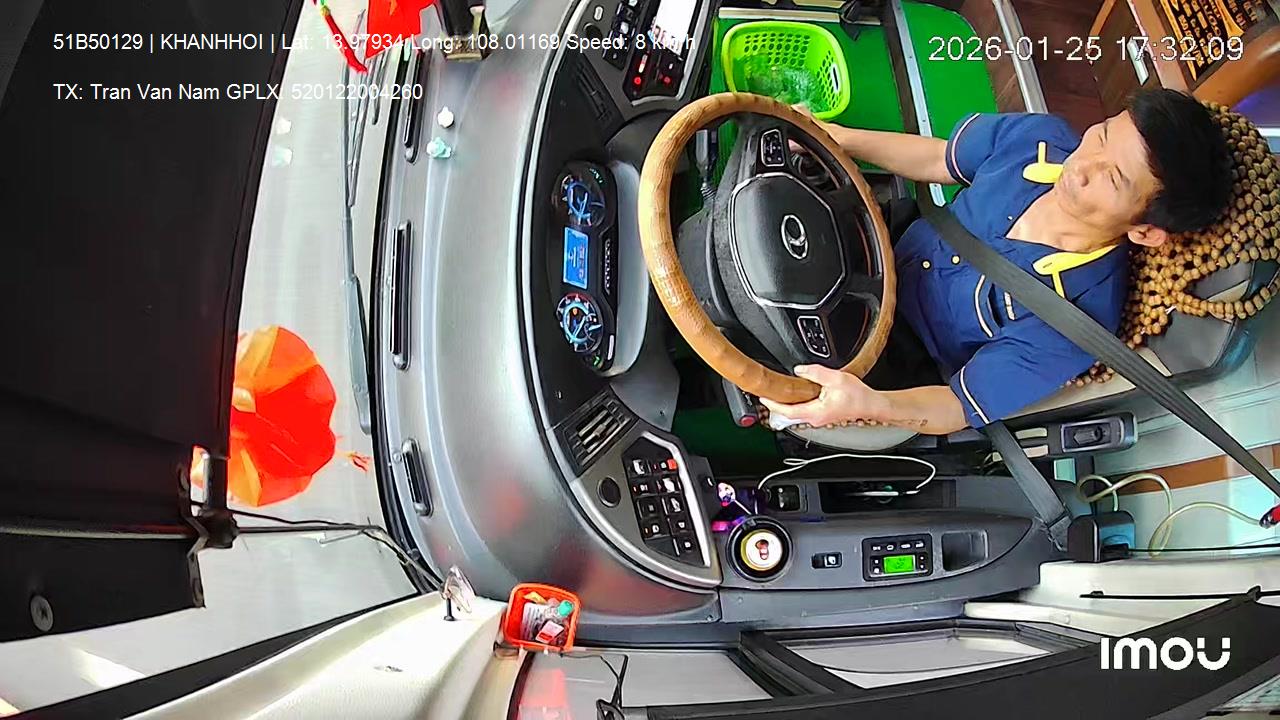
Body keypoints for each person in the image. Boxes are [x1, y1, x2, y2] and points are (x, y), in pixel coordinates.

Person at [760, 89, 1232, 435]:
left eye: (1112, 178)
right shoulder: (1040, 137)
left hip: (888, 355)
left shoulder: (1075, 324)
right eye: (1103, 134)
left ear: (1145, 232)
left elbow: (956, 407)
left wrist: (867, 405)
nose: (1083, 164)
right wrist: (835, 137)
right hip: (878, 242)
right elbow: (940, 160)